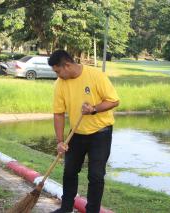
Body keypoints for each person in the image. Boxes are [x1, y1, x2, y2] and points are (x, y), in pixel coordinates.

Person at [48, 50, 119, 213]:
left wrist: (94, 109)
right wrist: (60, 141)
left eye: (58, 71)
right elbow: (58, 113)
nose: (57, 75)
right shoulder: (60, 84)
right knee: (70, 171)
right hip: (77, 133)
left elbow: (114, 100)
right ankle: (66, 209)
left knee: (95, 175)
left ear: (67, 65)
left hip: (101, 133)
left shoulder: (95, 75)